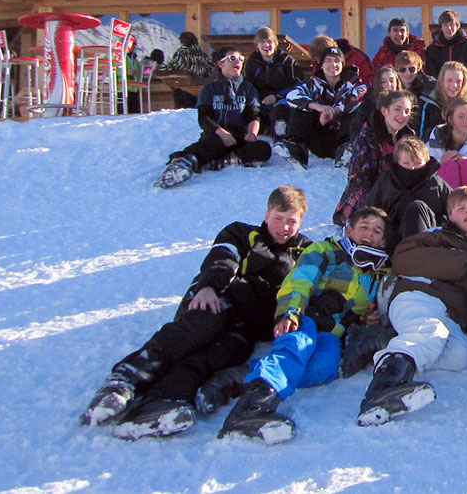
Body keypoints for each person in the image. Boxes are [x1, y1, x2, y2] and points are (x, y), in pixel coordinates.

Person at [79, 186, 312, 439]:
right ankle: (125, 380)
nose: (284, 227)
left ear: (301, 222)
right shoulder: (242, 233)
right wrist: (209, 286)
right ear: (267, 215)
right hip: (216, 298)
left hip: (246, 325)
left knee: (217, 355)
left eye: (292, 221)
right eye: (279, 219)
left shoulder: (305, 252)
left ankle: (160, 403)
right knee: (199, 327)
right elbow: (223, 257)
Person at [217, 208, 390, 443]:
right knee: (297, 348)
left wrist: (365, 319)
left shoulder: (377, 273)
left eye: (377, 230)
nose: (370, 233)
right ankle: (250, 411)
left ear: (383, 239)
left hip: (332, 332)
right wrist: (291, 311)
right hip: (305, 316)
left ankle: (243, 376)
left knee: (324, 367)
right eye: (364, 227)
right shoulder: (326, 252)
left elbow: (361, 309)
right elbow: (300, 280)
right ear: (349, 230)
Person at [356, 187, 467, 426]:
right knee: (431, 332)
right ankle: (382, 388)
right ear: (450, 216)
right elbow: (404, 259)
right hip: (417, 294)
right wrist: (465, 264)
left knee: (458, 355)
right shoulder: (439, 235)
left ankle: (391, 347)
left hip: (447, 309)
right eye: (461, 208)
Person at [156, 47, 271, 188]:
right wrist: (221, 133)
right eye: (233, 58)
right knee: (210, 145)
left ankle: (220, 161)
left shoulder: (248, 88)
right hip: (217, 135)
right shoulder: (210, 89)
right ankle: (183, 165)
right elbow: (204, 118)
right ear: (221, 64)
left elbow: (254, 114)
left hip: (240, 137)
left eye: (241, 59)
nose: (238, 62)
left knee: (263, 149)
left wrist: (252, 132)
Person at [333, 90, 416, 227]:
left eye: (407, 111)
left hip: (399, 194)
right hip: (369, 195)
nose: (403, 115)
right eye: (397, 109)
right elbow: (361, 179)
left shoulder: (408, 137)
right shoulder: (368, 138)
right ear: (385, 111)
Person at [274, 46, 366, 169]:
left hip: (344, 139)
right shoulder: (313, 84)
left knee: (357, 110)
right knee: (300, 106)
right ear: (321, 65)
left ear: (343, 64)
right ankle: (296, 149)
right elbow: (292, 96)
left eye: (337, 61)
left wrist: (334, 111)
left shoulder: (355, 83)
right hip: (320, 137)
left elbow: (357, 97)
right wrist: (318, 107)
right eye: (328, 60)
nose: (333, 64)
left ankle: (347, 153)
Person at [365, 137, 455, 246]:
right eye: (406, 163)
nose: (412, 168)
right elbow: (371, 210)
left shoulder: (435, 183)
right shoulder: (386, 181)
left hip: (429, 239)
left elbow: (455, 206)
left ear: (426, 162)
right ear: (398, 162)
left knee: (416, 209)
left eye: (417, 163)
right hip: (391, 239)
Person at [244, 27, 301, 136]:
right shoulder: (251, 63)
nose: (266, 45)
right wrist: (259, 100)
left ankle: (281, 135)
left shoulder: (287, 61)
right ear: (257, 46)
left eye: (270, 42)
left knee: (283, 108)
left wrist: (277, 97)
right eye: (262, 42)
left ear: (275, 44)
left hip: (281, 99)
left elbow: (296, 85)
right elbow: (248, 86)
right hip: (260, 101)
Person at [413, 61, 467, 140]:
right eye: (449, 80)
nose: (454, 85)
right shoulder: (428, 103)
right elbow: (420, 136)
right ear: (442, 80)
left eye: (458, 81)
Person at [158, 30, 214, 109]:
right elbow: (210, 70)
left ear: (182, 41)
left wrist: (159, 66)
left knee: (183, 115)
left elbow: (172, 68)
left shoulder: (181, 53)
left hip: (183, 88)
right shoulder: (203, 55)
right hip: (201, 90)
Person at [425, 10, 467, 77]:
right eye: (445, 25)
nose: (449, 28)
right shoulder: (433, 49)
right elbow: (430, 73)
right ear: (441, 28)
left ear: (457, 26)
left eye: (451, 25)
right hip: (440, 85)